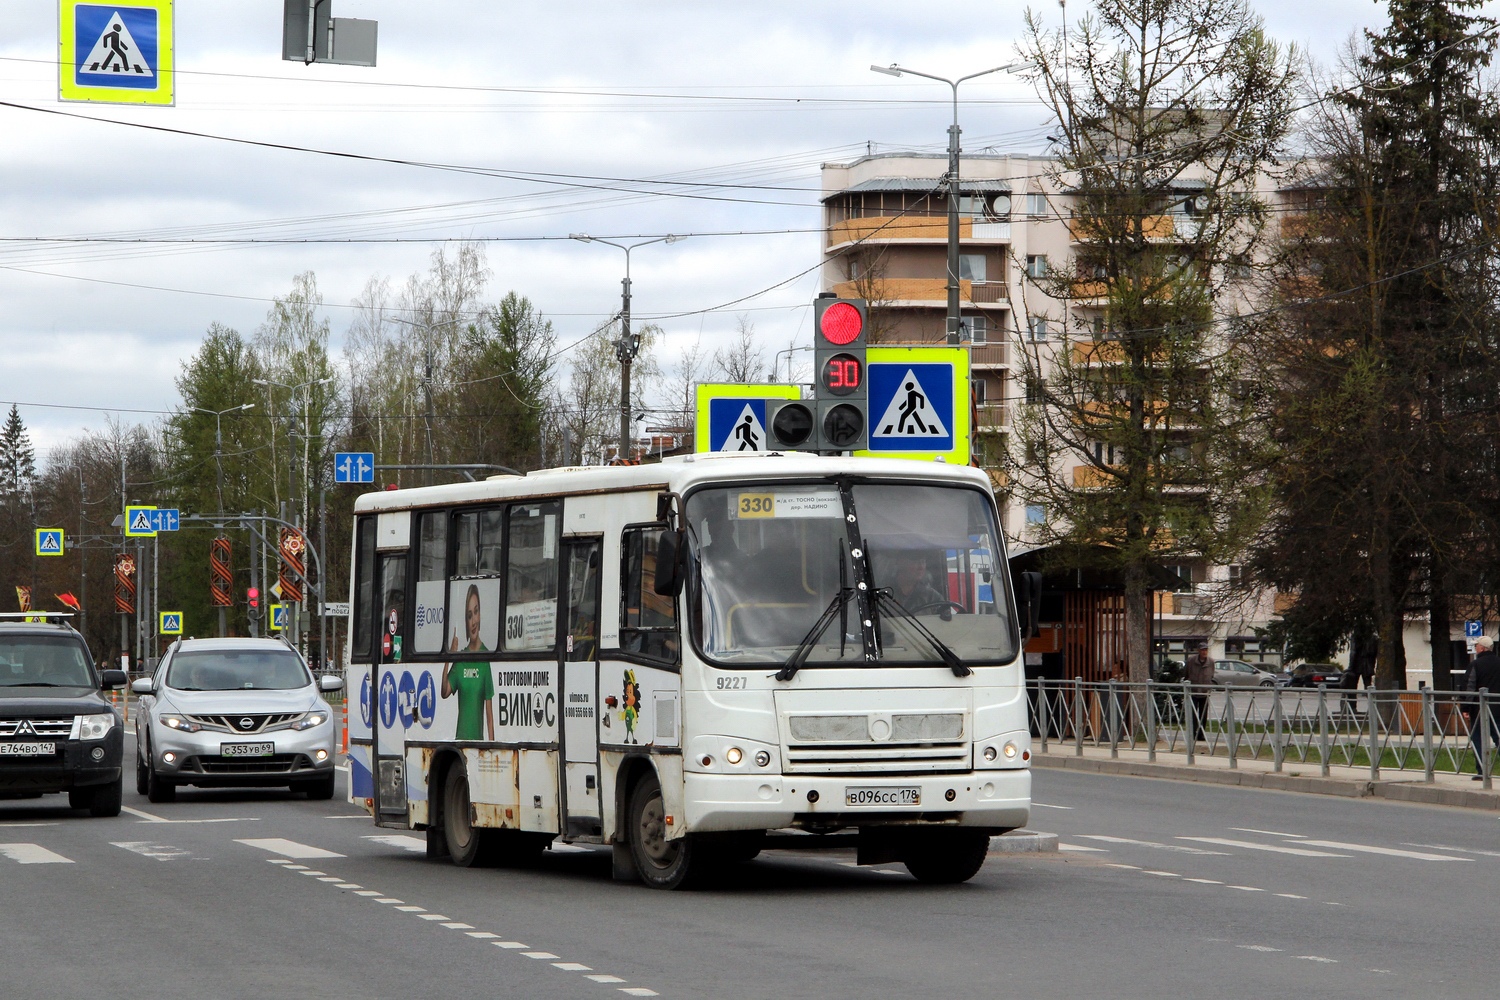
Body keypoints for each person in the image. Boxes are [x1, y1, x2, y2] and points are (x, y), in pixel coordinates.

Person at [443, 584, 494, 741]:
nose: (473, 621)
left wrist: (492, 747)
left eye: (476, 612)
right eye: (469, 615)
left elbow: (489, 713)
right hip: (460, 741)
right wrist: (449, 657)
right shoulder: (461, 659)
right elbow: (444, 692)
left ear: (480, 615)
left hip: (478, 742)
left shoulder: (485, 658)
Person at [1464, 635, 1500, 781]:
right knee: (1498, 736)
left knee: (1478, 738)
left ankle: (1482, 770)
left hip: (1479, 708)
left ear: (1483, 648)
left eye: (1477, 646)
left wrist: (1466, 707)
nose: (1476, 648)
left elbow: (1470, 687)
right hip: (1498, 707)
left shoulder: (1476, 664)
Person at [1186, 642, 1214, 742]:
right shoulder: (1191, 661)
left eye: (1206, 650)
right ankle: (1192, 733)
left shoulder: (1211, 662)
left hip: (1204, 692)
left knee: (1203, 715)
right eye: (1202, 650)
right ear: (1198, 651)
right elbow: (1186, 674)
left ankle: (1201, 734)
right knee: (1193, 714)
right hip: (1193, 691)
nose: (1204, 652)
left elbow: (1211, 675)